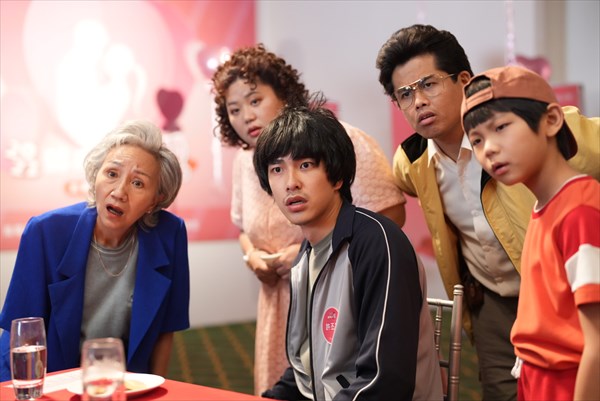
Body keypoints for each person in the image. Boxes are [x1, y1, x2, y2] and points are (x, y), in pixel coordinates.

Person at [375, 24, 600, 400]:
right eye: (405, 94)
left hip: (564, 291)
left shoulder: (536, 124)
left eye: (429, 84)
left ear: (464, 80)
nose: (419, 102)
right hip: (490, 300)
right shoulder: (411, 162)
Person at [211, 44, 406, 395]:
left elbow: (381, 378)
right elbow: (244, 227)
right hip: (285, 293)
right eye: (234, 109)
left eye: (255, 101)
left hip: (342, 281)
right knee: (299, 375)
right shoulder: (245, 161)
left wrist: (315, 254)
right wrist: (252, 255)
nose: (247, 116)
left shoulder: (338, 141)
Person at [254, 103, 442, 400]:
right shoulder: (305, 255)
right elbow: (306, 366)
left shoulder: (377, 244)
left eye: (306, 165)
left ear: (338, 176)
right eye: (277, 169)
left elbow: (385, 381)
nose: (291, 183)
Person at [0, 120, 190, 381]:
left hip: (127, 386)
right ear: (95, 176)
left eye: (138, 183)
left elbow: (165, 330)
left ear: (155, 200)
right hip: (52, 382)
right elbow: (21, 334)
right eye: (111, 174)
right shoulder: (45, 232)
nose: (119, 192)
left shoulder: (170, 234)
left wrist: (157, 388)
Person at [461, 65, 600, 401]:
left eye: (501, 127)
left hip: (568, 383)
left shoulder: (580, 210)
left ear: (551, 120)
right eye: (477, 140)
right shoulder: (543, 207)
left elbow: (596, 344)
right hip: (535, 380)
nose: (488, 149)